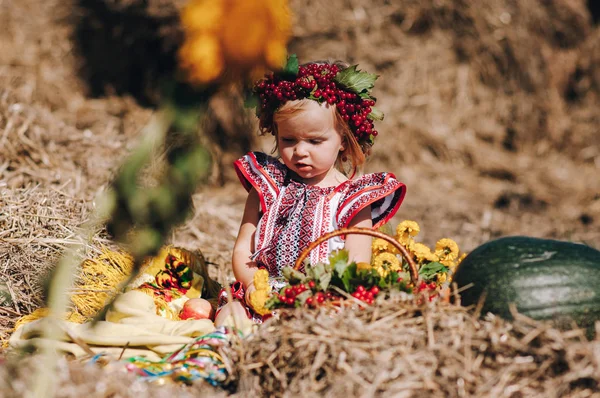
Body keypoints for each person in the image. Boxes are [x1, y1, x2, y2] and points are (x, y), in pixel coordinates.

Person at [214, 59, 406, 326]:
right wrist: (251, 286)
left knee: (328, 323)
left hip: (322, 299)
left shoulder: (354, 198)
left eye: (315, 141)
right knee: (230, 317)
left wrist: (320, 297)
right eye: (288, 140)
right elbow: (243, 250)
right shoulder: (267, 184)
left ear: (343, 139)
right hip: (265, 290)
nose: (300, 151)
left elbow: (356, 262)